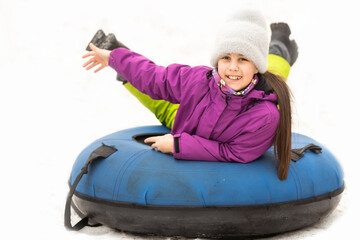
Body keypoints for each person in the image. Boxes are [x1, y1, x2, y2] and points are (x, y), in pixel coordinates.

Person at [82, 9, 297, 180]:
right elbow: (157, 79)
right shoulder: (200, 80)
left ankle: (280, 44)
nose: (232, 67)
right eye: (225, 58)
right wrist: (115, 58)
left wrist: (179, 145)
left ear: (255, 64)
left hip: (245, 109)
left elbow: (234, 152)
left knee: (275, 71)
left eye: (243, 59)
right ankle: (124, 63)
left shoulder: (265, 116)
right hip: (202, 114)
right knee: (165, 108)